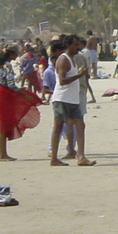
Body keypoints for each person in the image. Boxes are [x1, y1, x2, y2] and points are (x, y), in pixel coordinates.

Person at [50, 36, 94, 166]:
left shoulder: (73, 59)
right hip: (62, 99)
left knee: (80, 125)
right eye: (75, 45)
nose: (78, 47)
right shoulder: (63, 59)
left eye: (78, 45)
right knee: (58, 127)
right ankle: (54, 158)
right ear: (68, 45)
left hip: (73, 100)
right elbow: (62, 81)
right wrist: (79, 76)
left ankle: (81, 156)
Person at [0, 45, 41, 161]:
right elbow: (11, 85)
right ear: (11, 54)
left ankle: (3, 153)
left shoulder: (1, 64)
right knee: (4, 124)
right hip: (3, 94)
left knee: (3, 123)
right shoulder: (8, 65)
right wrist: (24, 93)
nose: (16, 56)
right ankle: (2, 154)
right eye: (15, 54)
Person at [83, 31, 99, 103]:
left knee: (91, 64)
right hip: (94, 51)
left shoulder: (90, 39)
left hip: (90, 51)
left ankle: (94, 75)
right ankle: (95, 75)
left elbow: (88, 45)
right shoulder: (95, 38)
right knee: (94, 65)